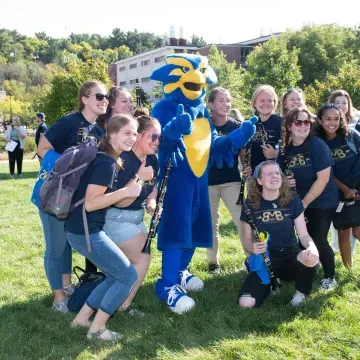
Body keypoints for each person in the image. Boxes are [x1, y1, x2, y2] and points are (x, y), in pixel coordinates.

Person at [66, 115, 141, 341]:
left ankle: (81, 320)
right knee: (127, 276)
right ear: (112, 134)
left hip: (80, 229)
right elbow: (91, 203)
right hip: (86, 231)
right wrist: (126, 192)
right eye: (127, 132)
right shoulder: (106, 162)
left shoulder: (104, 157)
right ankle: (97, 330)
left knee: (111, 275)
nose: (132, 137)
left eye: (135, 133)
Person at [37, 80, 107, 312]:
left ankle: (66, 287)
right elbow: (42, 149)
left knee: (66, 245)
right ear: (84, 98)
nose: (104, 100)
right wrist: (67, 166)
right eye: (99, 96)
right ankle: (58, 299)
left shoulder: (99, 132)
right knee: (56, 248)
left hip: (75, 200)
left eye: (106, 97)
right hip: (54, 197)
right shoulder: (68, 123)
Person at [238, 161, 319, 308]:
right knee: (246, 303)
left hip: (290, 256)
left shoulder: (292, 201)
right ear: (259, 180)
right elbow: (246, 240)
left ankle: (300, 294)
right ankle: (269, 284)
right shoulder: (249, 204)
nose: (274, 176)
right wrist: (253, 247)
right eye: (268, 174)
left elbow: (304, 236)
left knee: (310, 259)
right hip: (266, 258)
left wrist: (312, 247)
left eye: (277, 173)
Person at [103, 114, 160, 313]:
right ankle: (123, 306)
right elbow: (120, 201)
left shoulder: (153, 159)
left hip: (136, 217)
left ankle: (114, 300)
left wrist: (152, 203)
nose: (157, 141)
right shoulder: (123, 160)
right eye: (152, 136)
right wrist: (139, 178)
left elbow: (154, 189)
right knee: (143, 258)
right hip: (115, 218)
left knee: (133, 262)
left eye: (159, 137)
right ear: (138, 137)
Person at [280, 108, 338, 290]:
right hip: (299, 201)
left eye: (307, 122)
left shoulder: (317, 145)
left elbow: (323, 179)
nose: (303, 125)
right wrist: (285, 181)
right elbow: (280, 175)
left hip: (322, 200)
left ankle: (331, 277)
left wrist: (304, 204)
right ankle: (311, 266)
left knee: (318, 237)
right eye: (299, 122)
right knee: (302, 240)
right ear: (290, 126)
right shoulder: (286, 149)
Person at [206, 88, 251, 274]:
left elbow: (243, 153)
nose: (226, 104)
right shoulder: (202, 125)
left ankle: (252, 259)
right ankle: (213, 263)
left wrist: (247, 165)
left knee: (242, 220)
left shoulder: (237, 126)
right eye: (221, 100)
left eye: (228, 100)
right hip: (207, 183)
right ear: (210, 104)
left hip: (232, 181)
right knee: (211, 223)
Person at [315, 103, 360, 267]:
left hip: (358, 186)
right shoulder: (317, 143)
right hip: (337, 190)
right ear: (320, 120)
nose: (332, 122)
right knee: (343, 230)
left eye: (336, 118)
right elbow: (325, 173)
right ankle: (348, 267)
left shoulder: (350, 135)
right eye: (327, 119)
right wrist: (345, 189)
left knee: (358, 230)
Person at [328, 90, 359, 256]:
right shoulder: (323, 134)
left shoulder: (354, 130)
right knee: (341, 228)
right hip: (337, 186)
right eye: (337, 102)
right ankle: (339, 253)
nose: (341, 106)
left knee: (357, 229)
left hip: (355, 184)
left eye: (344, 102)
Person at [241, 85, 282, 172]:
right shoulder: (250, 123)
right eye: (262, 100)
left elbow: (292, 150)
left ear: (274, 103)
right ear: (254, 103)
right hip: (255, 175)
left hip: (275, 175)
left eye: (270, 101)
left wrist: (275, 154)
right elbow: (244, 151)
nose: (266, 103)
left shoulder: (281, 123)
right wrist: (247, 167)